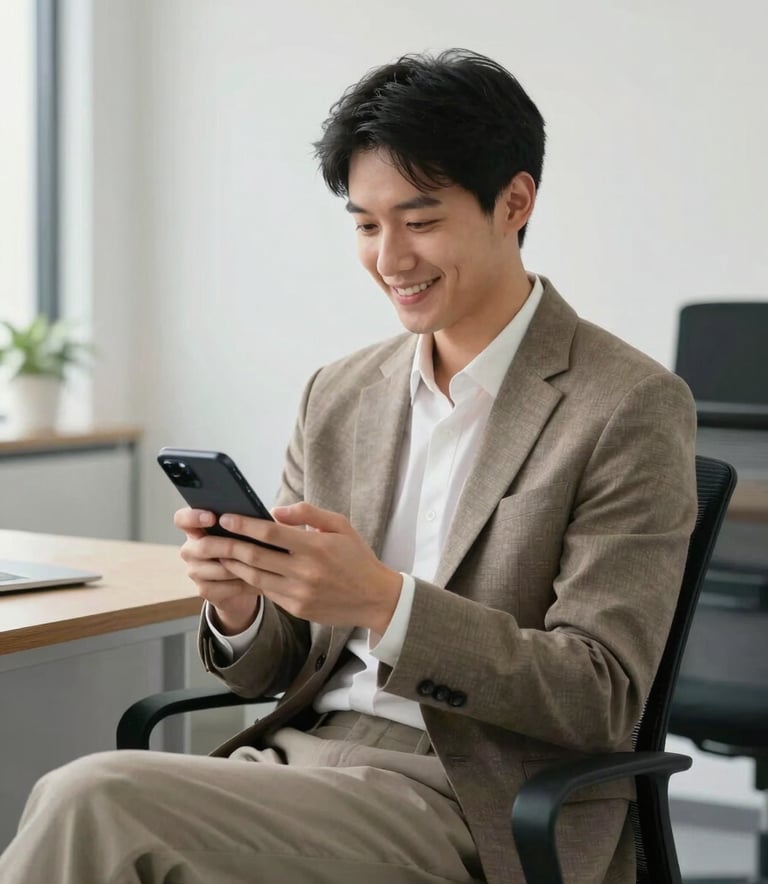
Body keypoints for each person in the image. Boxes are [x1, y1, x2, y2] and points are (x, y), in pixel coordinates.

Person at [0, 49, 697, 884]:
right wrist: (241, 606)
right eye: (366, 225)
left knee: (94, 801)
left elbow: (600, 694)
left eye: (421, 219)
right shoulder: (340, 395)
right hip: (302, 762)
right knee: (89, 806)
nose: (390, 257)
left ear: (514, 202)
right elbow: (279, 667)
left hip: (476, 798)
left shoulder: (624, 403)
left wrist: (384, 603)